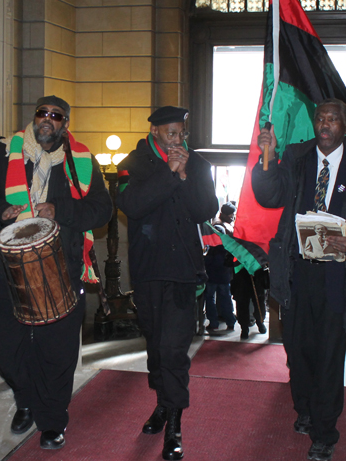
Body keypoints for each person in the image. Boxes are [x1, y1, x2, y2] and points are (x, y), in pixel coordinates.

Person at [0, 96, 112, 450]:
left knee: (56, 352)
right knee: (3, 344)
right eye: (42, 113)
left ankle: (51, 420)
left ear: (65, 122)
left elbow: (102, 209)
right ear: (34, 117)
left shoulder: (80, 161)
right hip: (6, 270)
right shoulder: (6, 153)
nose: (47, 119)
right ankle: (28, 397)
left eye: (55, 115)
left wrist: (59, 210)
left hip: (60, 270)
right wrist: (0, 210)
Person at [252, 98, 346, 461]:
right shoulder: (297, 159)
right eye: (320, 118)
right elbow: (268, 194)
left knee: (329, 354)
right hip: (297, 273)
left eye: (333, 119)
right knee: (297, 350)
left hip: (338, 277)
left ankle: (325, 433)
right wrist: (265, 158)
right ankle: (306, 409)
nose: (325, 124)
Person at [117, 106, 218, 460]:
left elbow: (205, 209)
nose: (179, 140)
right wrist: (168, 174)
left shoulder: (198, 165)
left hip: (182, 271)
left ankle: (174, 424)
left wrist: (186, 175)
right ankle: (162, 403)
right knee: (156, 348)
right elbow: (132, 204)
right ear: (156, 132)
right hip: (147, 271)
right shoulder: (133, 163)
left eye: (182, 133)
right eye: (172, 134)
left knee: (175, 351)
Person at [204, 202, 237, 333]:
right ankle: (230, 321)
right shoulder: (226, 228)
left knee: (210, 297)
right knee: (225, 296)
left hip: (212, 269)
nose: (232, 217)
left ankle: (214, 322)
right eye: (231, 215)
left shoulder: (215, 227)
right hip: (223, 269)